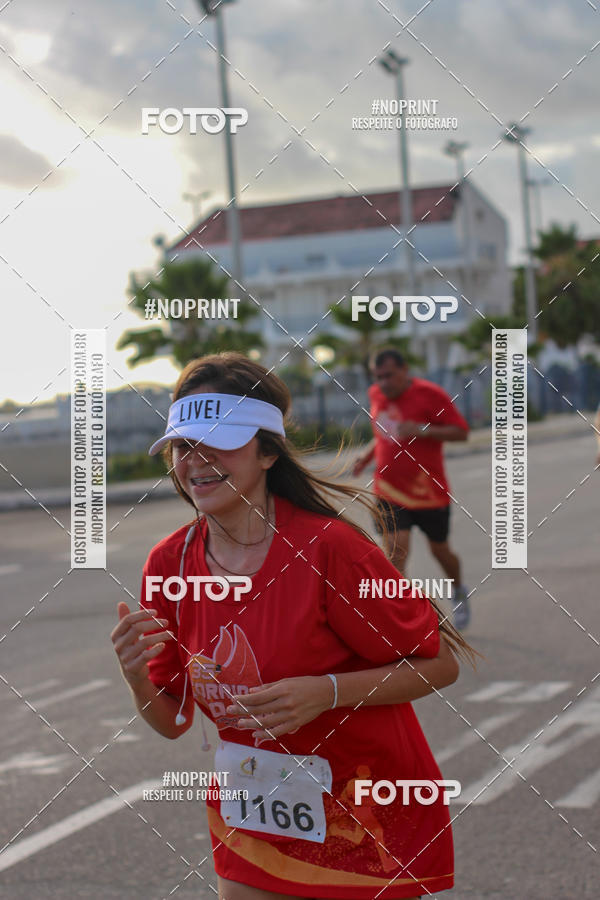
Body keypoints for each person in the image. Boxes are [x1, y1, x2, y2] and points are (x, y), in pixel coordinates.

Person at [111, 352, 476, 900]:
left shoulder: (331, 549)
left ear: (265, 452)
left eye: (220, 439)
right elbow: (171, 722)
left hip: (365, 818)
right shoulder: (168, 565)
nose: (197, 460)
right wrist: (136, 676)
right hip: (256, 816)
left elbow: (439, 664)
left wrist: (326, 693)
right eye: (184, 445)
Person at [353, 348, 471, 630]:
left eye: (389, 376)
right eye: (378, 376)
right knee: (395, 550)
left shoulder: (431, 395)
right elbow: (383, 433)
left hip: (429, 492)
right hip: (388, 489)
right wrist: (366, 457)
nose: (383, 383)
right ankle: (399, 617)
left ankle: (457, 591)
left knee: (440, 551)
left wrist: (423, 429)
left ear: (405, 370)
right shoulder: (376, 395)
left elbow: (462, 433)